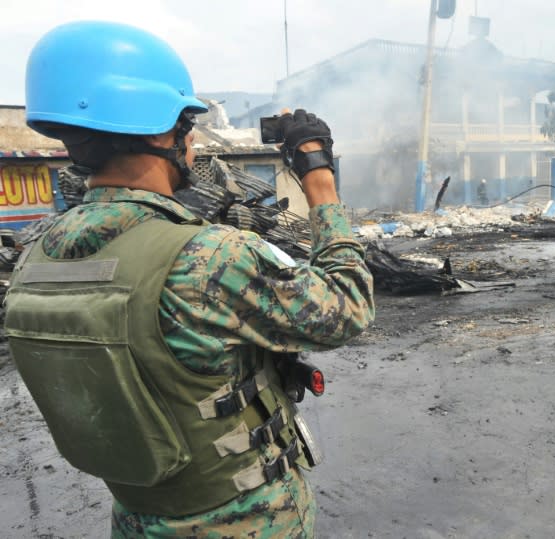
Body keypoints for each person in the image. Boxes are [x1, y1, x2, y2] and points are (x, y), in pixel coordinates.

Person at [4, 21, 374, 538]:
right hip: (250, 524)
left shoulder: (34, 260)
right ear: (159, 130)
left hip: (136, 521)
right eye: (186, 125)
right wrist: (319, 181)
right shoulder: (208, 257)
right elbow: (348, 306)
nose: (192, 142)